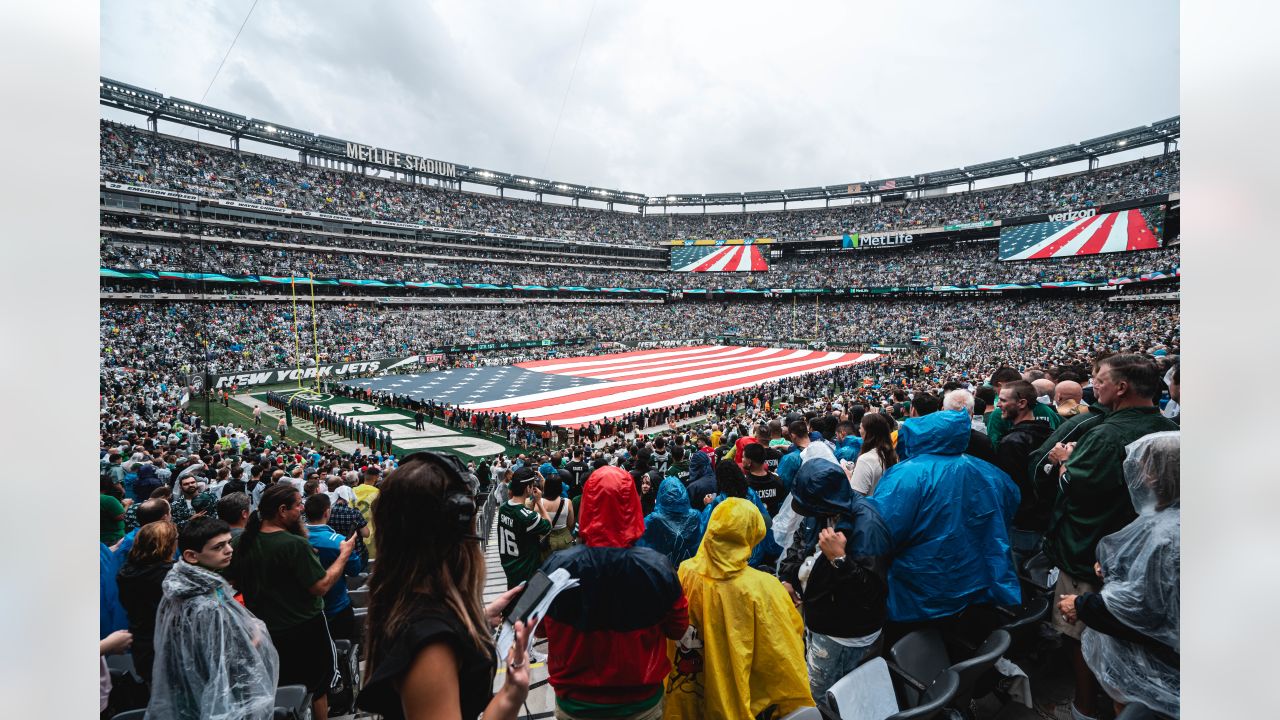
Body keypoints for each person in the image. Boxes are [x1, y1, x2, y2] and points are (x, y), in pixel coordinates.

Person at [1042, 354, 1179, 720]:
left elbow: (1075, 487)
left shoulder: (1105, 434)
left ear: (1121, 387)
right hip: (1144, 555)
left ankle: (1084, 709)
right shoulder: (1170, 427)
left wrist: (1063, 461)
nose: (1094, 385)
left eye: (1099, 379)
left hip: (1091, 554)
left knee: (1083, 635)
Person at [357, 451, 533, 720]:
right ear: (458, 521)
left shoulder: (406, 599)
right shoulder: (431, 645)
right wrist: (511, 694)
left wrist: (478, 620)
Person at [541, 465, 690, 719]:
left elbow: (533, 625)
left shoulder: (554, 565)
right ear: (631, 504)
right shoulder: (658, 567)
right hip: (641, 703)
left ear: (587, 504)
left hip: (576, 704)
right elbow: (678, 627)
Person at [868, 409, 1021, 640]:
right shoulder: (985, 469)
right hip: (973, 575)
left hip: (921, 582)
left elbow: (882, 530)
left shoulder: (906, 474)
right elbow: (1011, 501)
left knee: (923, 644)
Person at [1061, 432, 1179, 718]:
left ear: (1158, 475)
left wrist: (1080, 605)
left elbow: (1145, 608)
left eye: (1147, 467)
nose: (1141, 475)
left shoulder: (1166, 534)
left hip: (1159, 664)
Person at [664, 498, 811, 719]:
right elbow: (784, 651)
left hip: (689, 693)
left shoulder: (686, 571)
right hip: (741, 701)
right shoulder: (762, 587)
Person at [229, 483, 356, 720]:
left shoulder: (241, 542)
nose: (302, 509)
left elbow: (234, 581)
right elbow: (321, 586)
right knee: (317, 687)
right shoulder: (293, 545)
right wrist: (344, 555)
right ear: (282, 510)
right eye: (298, 505)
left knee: (283, 686)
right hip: (304, 627)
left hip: (265, 628)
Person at [779, 458, 891, 710]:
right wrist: (786, 577)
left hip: (845, 635)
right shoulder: (822, 513)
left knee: (824, 698)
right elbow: (798, 545)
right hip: (821, 621)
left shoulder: (868, 527)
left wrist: (840, 560)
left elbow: (872, 594)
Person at [148, 516, 278, 720]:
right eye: (218, 547)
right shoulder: (204, 605)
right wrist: (253, 637)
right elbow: (222, 661)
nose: (229, 549)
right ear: (192, 556)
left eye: (228, 542)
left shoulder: (187, 585)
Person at [116, 520, 178, 683]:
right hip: (170, 646)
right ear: (169, 545)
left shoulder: (125, 573)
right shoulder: (172, 576)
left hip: (141, 643)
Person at [995, 380, 1055, 531]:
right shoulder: (1050, 434)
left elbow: (1012, 488)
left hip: (1024, 524)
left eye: (1003, 400)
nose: (998, 405)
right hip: (1047, 518)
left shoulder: (1012, 443)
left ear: (1021, 403)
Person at [304, 493, 365, 642]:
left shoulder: (294, 538)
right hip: (336, 607)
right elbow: (354, 570)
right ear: (327, 512)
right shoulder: (338, 542)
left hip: (304, 611)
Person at [497, 467, 551, 590]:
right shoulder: (527, 517)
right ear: (528, 488)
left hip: (510, 567)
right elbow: (548, 525)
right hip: (525, 571)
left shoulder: (503, 509)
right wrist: (539, 502)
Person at [637, 477, 702, 569]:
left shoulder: (653, 520)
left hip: (662, 572)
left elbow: (640, 545)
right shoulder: (695, 516)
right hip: (689, 572)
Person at [849, 412, 897, 496]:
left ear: (867, 432)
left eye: (860, 428)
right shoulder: (892, 454)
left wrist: (848, 476)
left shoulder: (865, 459)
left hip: (870, 507)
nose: (859, 431)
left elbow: (857, 496)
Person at [540, 474, 577, 560]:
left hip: (546, 540)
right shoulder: (567, 502)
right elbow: (570, 523)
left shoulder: (540, 503)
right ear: (560, 487)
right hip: (565, 539)